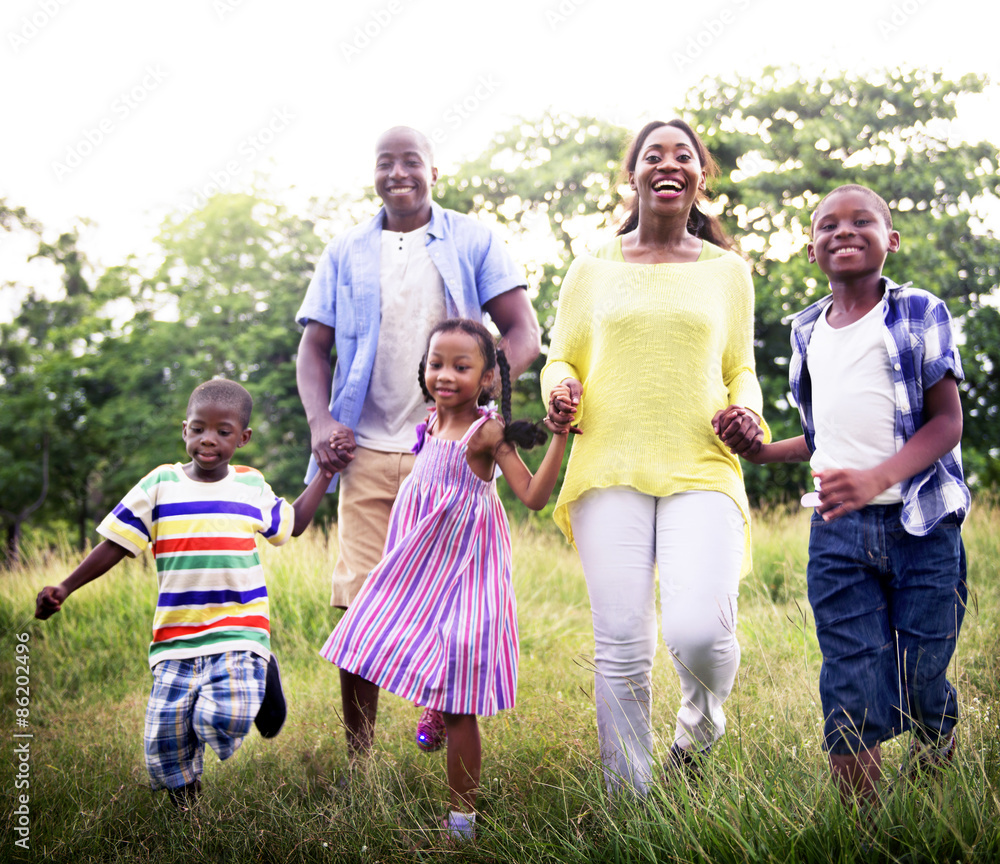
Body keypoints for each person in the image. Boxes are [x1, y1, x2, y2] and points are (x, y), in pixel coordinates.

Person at [295, 126, 541, 761]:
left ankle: (442, 703)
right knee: (358, 609)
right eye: (385, 162)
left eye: (411, 162)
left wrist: (484, 391)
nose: (397, 172)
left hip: (450, 454)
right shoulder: (345, 250)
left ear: (435, 169)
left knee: (451, 611)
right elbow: (313, 349)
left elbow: (523, 330)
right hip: (368, 452)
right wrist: (322, 424)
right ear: (373, 173)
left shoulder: (475, 239)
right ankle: (361, 758)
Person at [719, 184, 970, 802]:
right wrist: (760, 451)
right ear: (810, 249)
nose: (844, 231)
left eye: (862, 221)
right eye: (827, 225)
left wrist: (879, 479)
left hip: (922, 525)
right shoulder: (808, 331)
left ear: (892, 240)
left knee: (921, 673)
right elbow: (819, 435)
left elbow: (946, 422)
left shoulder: (918, 311)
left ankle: (937, 741)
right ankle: (863, 826)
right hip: (837, 531)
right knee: (852, 671)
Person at [543, 119, 768, 795]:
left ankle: (696, 733)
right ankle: (629, 798)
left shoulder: (728, 272)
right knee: (622, 645)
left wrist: (749, 411)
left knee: (700, 631)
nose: (668, 165)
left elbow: (743, 369)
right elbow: (562, 358)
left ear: (702, 177)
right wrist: (560, 391)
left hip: (702, 464)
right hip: (607, 464)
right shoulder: (592, 270)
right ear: (632, 175)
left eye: (683, 156)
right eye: (653, 156)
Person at [319, 318, 570, 841]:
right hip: (417, 568)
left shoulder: (487, 433)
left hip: (466, 574)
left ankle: (462, 824)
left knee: (463, 702)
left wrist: (559, 441)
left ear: (486, 379)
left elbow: (533, 497)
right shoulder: (430, 423)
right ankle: (431, 699)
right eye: (436, 364)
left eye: (461, 366)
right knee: (363, 635)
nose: (445, 375)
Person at [34, 379, 335, 809]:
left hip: (239, 628)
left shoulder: (250, 486)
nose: (208, 439)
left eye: (223, 431)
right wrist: (65, 586)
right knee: (166, 745)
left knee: (224, 716)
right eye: (198, 429)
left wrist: (325, 472)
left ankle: (263, 669)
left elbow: (294, 524)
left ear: (243, 438)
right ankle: (187, 821)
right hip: (174, 638)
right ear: (185, 431)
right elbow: (116, 544)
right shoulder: (160, 485)